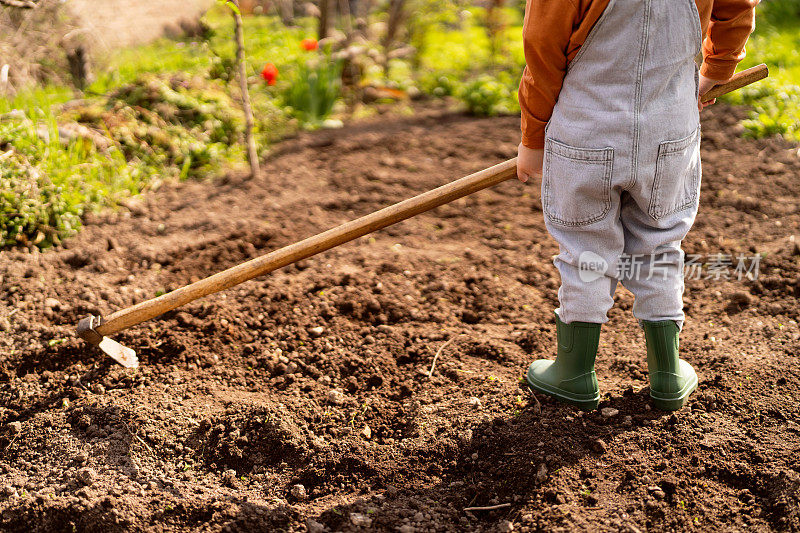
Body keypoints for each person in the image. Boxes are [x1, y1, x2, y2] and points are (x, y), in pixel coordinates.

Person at [516, 0, 759, 410]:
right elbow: (736, 9)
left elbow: (543, 47)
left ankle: (574, 372)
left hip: (587, 130)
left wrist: (532, 137)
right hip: (669, 129)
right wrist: (718, 70)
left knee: (585, 248)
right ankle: (667, 373)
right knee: (660, 241)